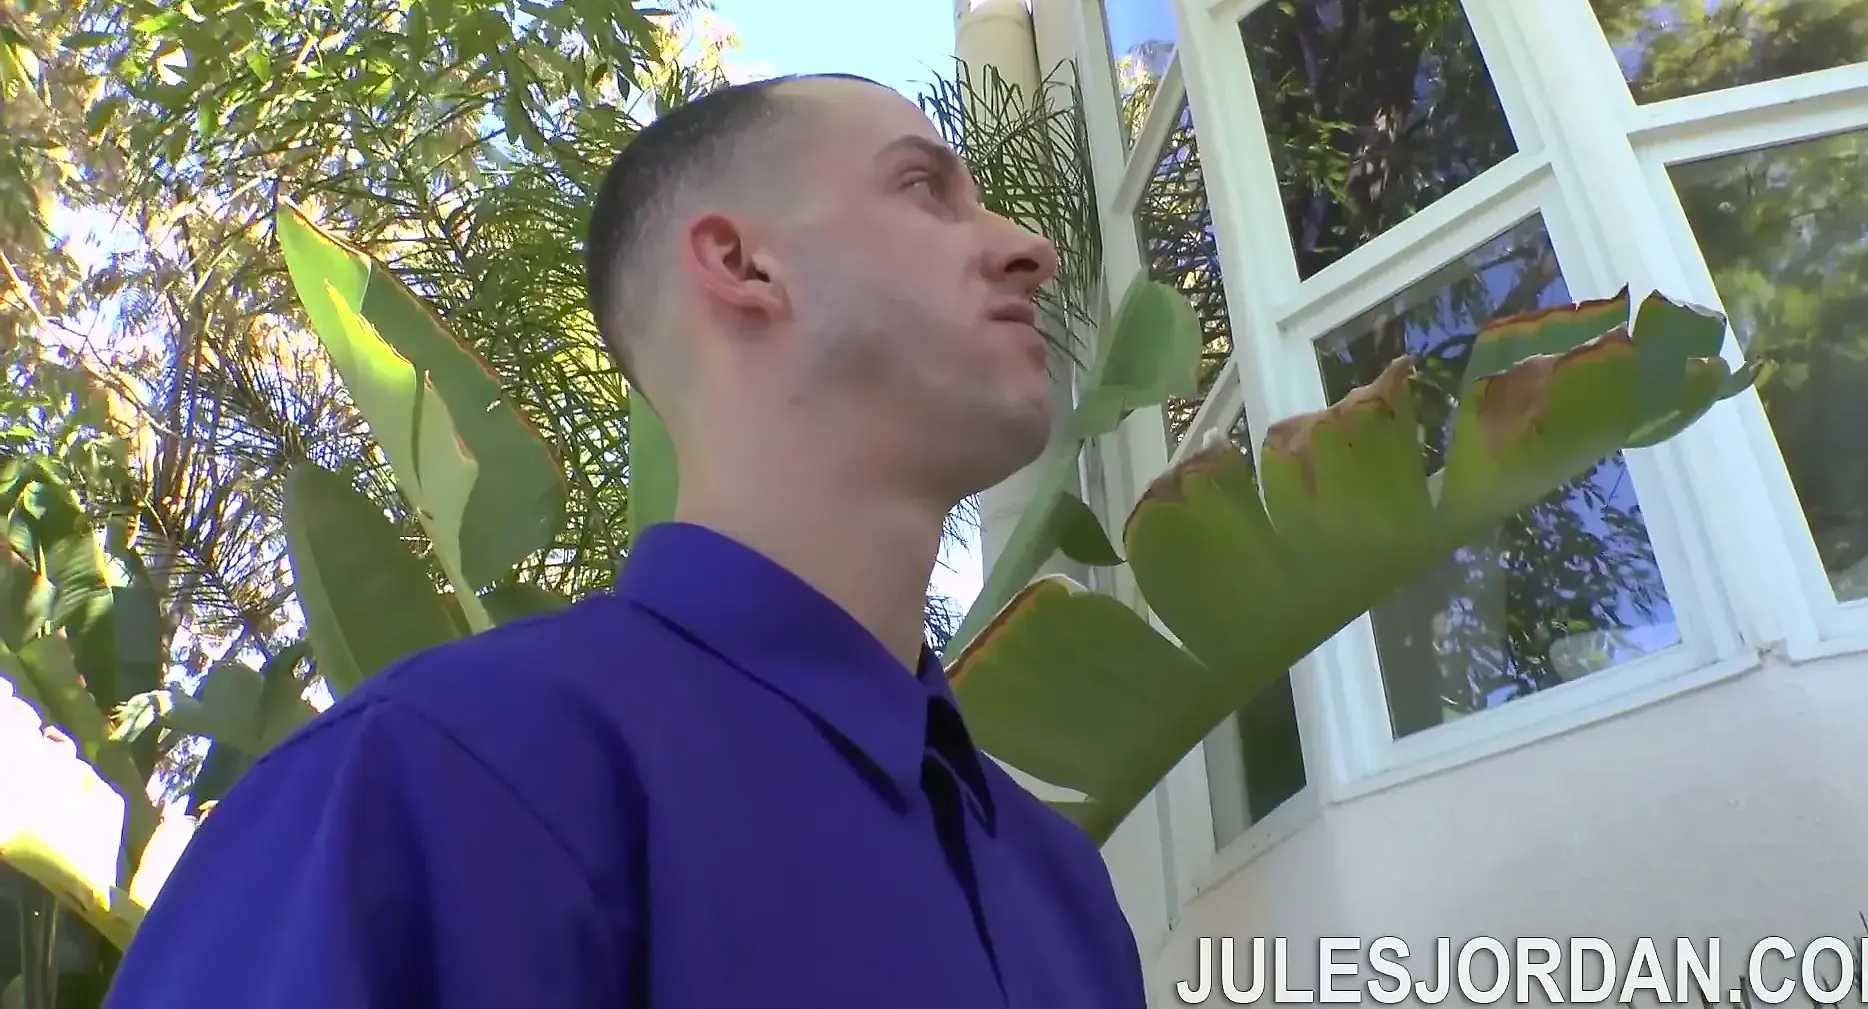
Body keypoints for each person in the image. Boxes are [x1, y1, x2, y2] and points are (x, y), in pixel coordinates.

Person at [102, 73, 1149, 1008]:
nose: (1031, 249)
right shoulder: (440, 774)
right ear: (742, 264)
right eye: (924, 189)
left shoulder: (1063, 895)